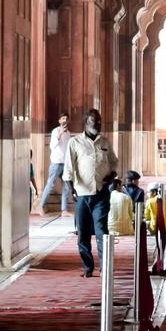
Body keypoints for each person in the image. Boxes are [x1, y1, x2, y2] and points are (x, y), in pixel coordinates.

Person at [63, 108, 119, 277]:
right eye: (96, 120)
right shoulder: (75, 143)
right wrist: (72, 192)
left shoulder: (105, 142)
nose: (99, 123)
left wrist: (111, 176)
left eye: (100, 120)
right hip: (81, 195)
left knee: (101, 231)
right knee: (83, 234)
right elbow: (68, 169)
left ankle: (104, 267)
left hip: (101, 194)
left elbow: (114, 163)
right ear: (87, 122)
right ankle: (88, 267)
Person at [38, 111, 72, 215]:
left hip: (65, 163)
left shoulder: (68, 133)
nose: (64, 120)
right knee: (50, 184)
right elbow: (52, 146)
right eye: (63, 119)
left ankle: (64, 210)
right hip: (56, 162)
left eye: (66, 118)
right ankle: (41, 206)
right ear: (59, 120)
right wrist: (60, 133)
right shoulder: (55, 131)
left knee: (66, 186)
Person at [29, 149, 38, 213]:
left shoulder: (30, 166)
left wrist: (36, 189)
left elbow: (32, 178)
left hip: (27, 189)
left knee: (28, 208)